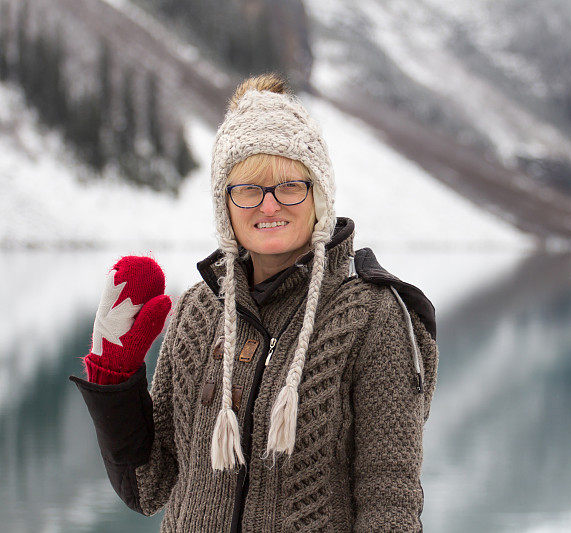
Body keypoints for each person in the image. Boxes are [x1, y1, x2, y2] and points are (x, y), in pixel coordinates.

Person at [69, 72, 439, 532]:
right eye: (248, 189)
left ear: (318, 195)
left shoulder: (372, 316)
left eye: (289, 186)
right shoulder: (199, 310)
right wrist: (115, 382)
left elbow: (391, 505)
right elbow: (150, 488)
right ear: (225, 204)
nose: (268, 207)